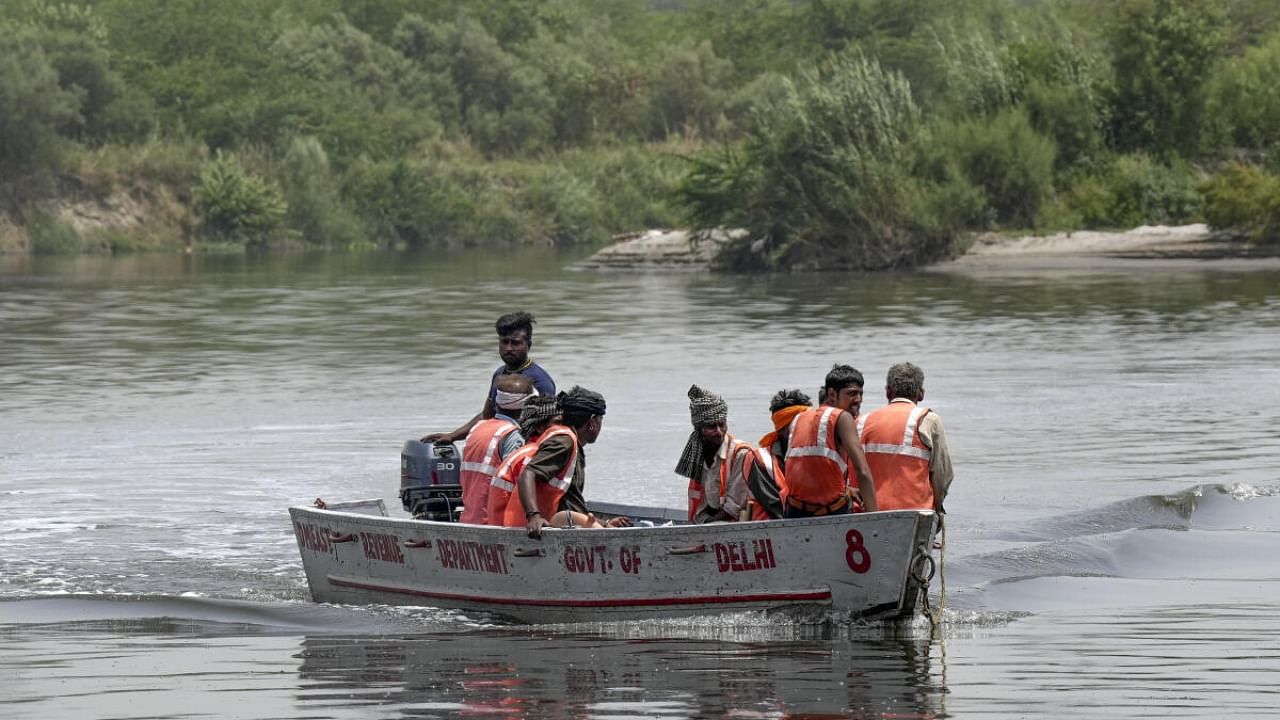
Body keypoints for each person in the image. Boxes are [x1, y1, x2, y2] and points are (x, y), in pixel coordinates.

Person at [505, 386, 631, 538]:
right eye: (600, 420)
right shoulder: (564, 442)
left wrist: (605, 523)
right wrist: (533, 516)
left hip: (562, 522)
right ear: (592, 422)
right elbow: (528, 473)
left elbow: (570, 500)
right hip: (541, 528)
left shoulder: (571, 443)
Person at [422, 311, 555, 444]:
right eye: (504, 342)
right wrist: (452, 436)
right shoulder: (499, 374)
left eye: (515, 343)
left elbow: (548, 428)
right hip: (498, 446)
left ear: (528, 345)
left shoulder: (540, 381)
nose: (508, 348)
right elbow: (487, 416)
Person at [782, 365, 878, 517]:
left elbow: (810, 469)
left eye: (860, 394)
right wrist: (876, 520)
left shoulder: (799, 418)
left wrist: (848, 490)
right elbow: (862, 471)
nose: (858, 400)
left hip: (794, 511)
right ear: (832, 394)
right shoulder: (842, 417)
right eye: (852, 394)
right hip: (831, 513)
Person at [857, 362, 953, 513]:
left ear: (888, 392)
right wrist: (938, 505)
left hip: (865, 513)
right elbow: (942, 473)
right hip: (915, 512)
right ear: (921, 394)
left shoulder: (861, 422)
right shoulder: (929, 420)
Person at [457, 374, 536, 524]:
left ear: (497, 404)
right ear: (526, 406)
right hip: (494, 520)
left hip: (470, 518)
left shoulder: (478, 428)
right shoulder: (512, 435)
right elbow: (516, 483)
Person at [675, 385, 753, 524]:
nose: (719, 432)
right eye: (711, 427)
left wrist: (706, 526)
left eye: (721, 425)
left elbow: (733, 508)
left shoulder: (740, 454)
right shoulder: (696, 452)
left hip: (737, 521)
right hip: (712, 519)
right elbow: (700, 505)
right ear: (700, 430)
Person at [485, 393, 561, 525]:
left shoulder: (525, 451)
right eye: (558, 423)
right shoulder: (532, 454)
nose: (562, 429)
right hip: (510, 526)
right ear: (539, 427)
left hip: (499, 523)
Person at [739, 389, 813, 520]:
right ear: (782, 428)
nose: (805, 429)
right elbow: (778, 509)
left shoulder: (814, 453)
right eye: (799, 424)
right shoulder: (759, 460)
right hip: (771, 532)